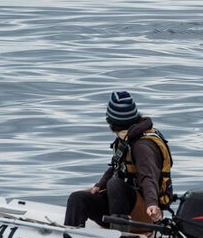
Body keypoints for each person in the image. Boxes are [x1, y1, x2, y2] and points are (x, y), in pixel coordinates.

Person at [64, 91, 174, 228]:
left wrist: (152, 204)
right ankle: (70, 236)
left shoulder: (142, 145)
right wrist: (99, 185)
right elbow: (117, 167)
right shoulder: (127, 138)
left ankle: (120, 236)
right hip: (123, 207)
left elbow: (148, 177)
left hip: (146, 215)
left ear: (111, 121)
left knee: (115, 184)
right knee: (78, 198)